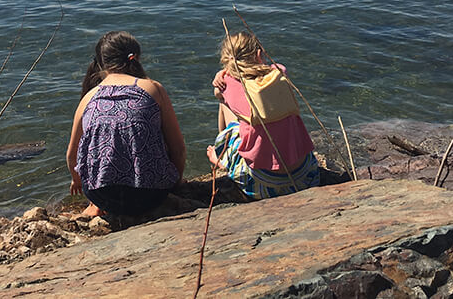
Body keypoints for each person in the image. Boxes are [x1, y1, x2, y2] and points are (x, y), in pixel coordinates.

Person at [66, 31, 186, 216]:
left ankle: (94, 206)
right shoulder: (153, 88)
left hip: (103, 197)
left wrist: (77, 181)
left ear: (100, 63)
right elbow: (178, 149)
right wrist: (175, 184)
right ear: (135, 58)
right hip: (152, 195)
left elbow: (72, 157)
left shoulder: (88, 98)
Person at [207, 31, 321, 200]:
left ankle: (223, 157)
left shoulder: (228, 85)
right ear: (259, 54)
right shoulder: (280, 73)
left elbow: (218, 92)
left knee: (225, 105)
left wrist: (222, 75)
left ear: (227, 61)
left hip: (262, 186)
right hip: (305, 177)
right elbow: (272, 68)